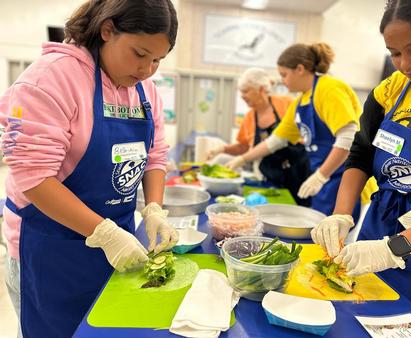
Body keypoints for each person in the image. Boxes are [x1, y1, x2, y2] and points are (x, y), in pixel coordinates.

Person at [0, 0, 179, 337]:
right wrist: (105, 234)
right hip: (52, 251)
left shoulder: (144, 90)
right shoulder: (51, 79)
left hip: (116, 244)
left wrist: (154, 208)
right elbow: (33, 178)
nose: (147, 70)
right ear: (107, 30)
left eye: (157, 60)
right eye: (139, 54)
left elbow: (154, 154)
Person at [311, 0, 411, 330]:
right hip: (381, 229)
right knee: (364, 320)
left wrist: (397, 248)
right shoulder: (391, 90)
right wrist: (342, 214)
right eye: (394, 52)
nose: (405, 64)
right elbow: (359, 155)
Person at [227, 43, 375, 218]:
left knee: (340, 239)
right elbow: (274, 141)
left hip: (348, 181)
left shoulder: (329, 89)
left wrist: (320, 175)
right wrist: (241, 159)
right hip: (326, 182)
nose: (282, 80)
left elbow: (348, 138)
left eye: (284, 74)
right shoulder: (299, 103)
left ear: (300, 69)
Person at [207, 68, 311, 206]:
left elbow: (301, 133)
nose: (242, 96)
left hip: (298, 172)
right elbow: (244, 147)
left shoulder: (287, 104)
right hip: (270, 179)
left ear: (261, 89)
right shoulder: (249, 118)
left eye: (245, 91)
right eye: (240, 92)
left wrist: (242, 160)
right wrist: (222, 149)